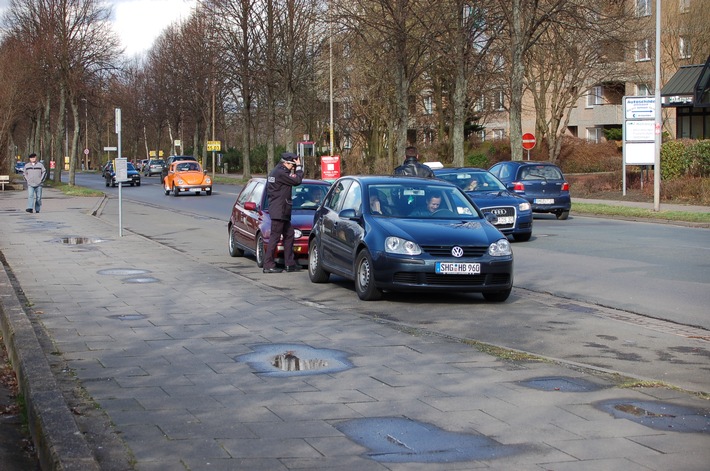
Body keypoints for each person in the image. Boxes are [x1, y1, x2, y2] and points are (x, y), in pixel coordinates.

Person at [262, 152, 304, 273]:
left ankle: (289, 263)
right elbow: (297, 180)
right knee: (275, 237)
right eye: (292, 166)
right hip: (279, 210)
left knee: (289, 234)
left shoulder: (277, 171)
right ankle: (268, 264)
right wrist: (300, 167)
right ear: (286, 163)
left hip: (281, 210)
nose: (293, 168)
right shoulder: (281, 172)